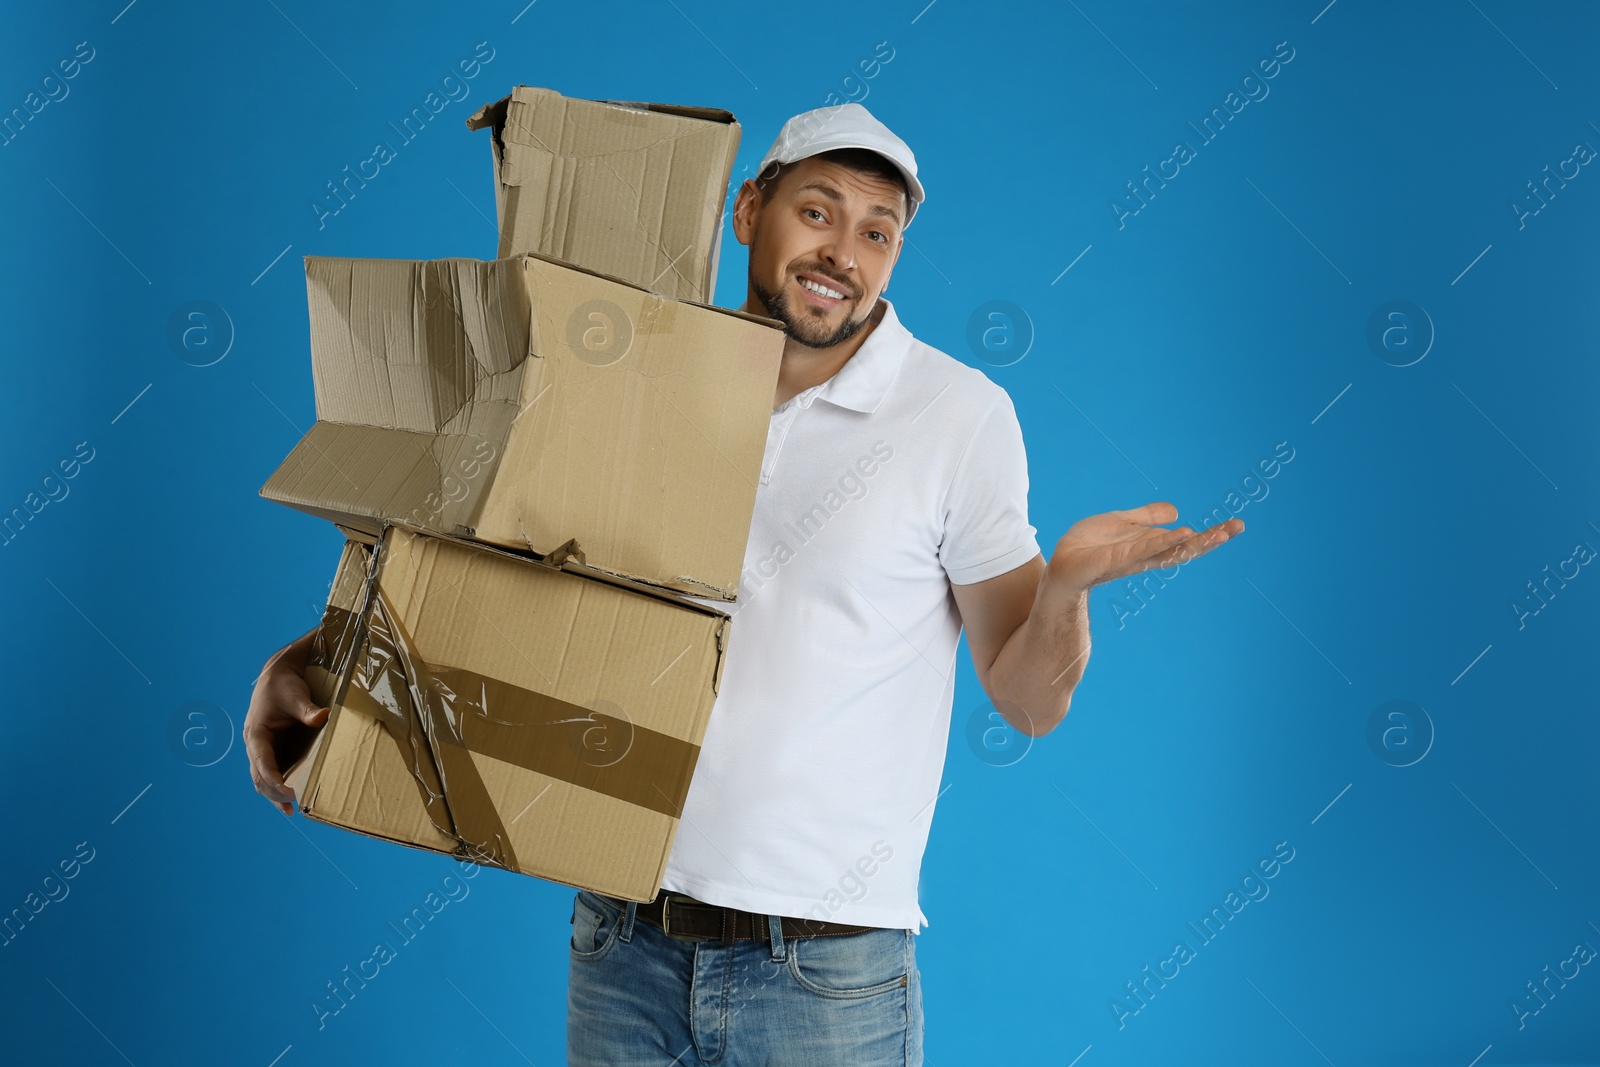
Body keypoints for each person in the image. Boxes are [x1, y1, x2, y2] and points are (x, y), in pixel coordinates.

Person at [245, 102, 1242, 1066]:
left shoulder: (956, 416)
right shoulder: (640, 377)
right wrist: (326, 652)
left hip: (821, 969)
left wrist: (1062, 589)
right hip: (619, 935)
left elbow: (1027, 702)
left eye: (877, 231)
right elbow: (507, 576)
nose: (842, 255)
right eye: (817, 211)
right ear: (747, 212)